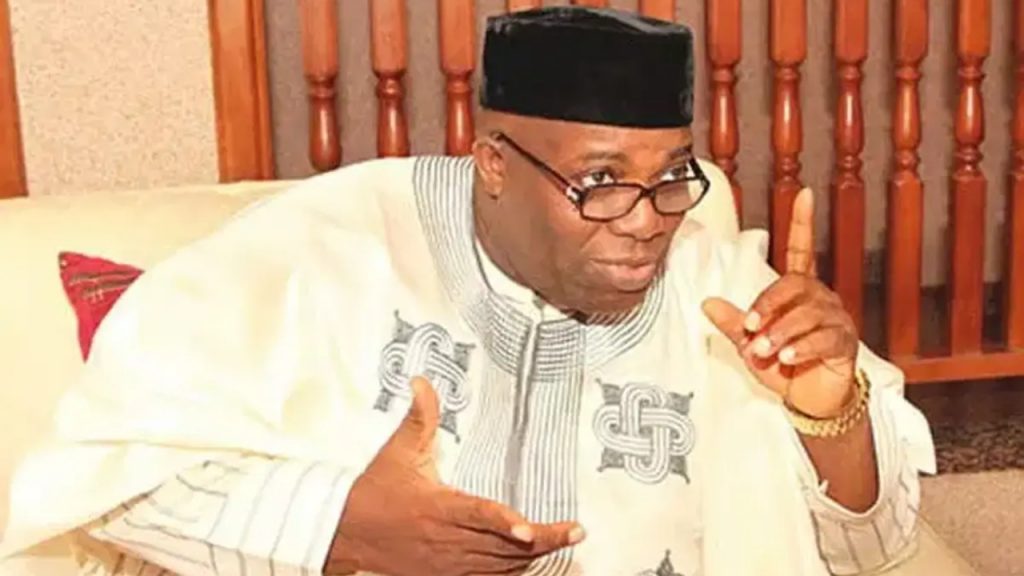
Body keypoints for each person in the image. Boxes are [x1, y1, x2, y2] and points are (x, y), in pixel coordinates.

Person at [0, 6, 934, 576]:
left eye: (668, 175)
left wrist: (832, 418)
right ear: (492, 163)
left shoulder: (722, 289)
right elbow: (104, 477)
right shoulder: (322, 250)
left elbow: (873, 548)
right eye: (600, 179)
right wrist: (344, 529)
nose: (647, 218)